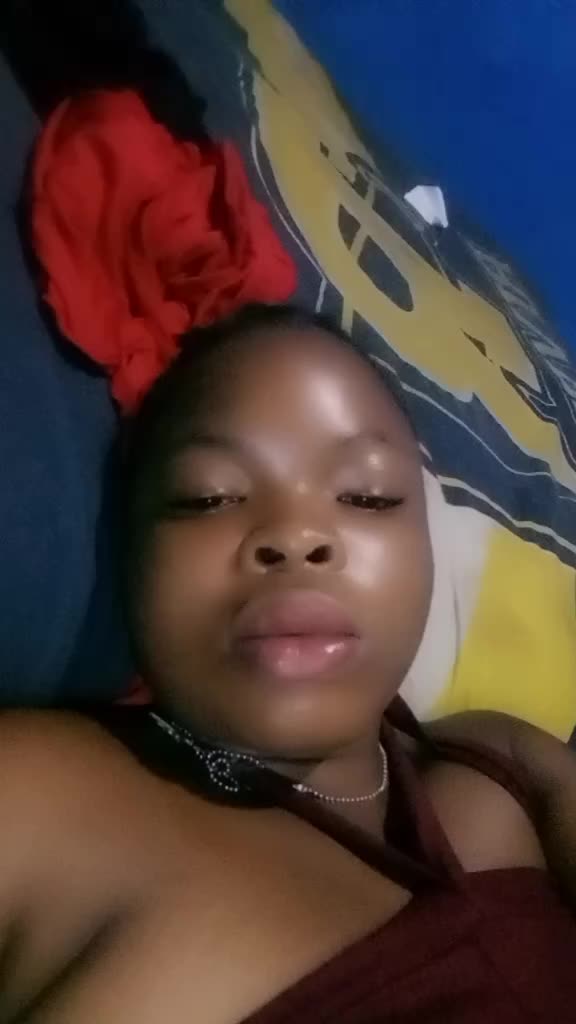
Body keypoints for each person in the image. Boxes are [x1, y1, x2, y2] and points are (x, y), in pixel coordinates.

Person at [1, 303, 576, 1024]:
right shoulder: (43, 796)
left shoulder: (497, 762)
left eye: (367, 495)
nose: (297, 534)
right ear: (130, 552)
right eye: (209, 497)